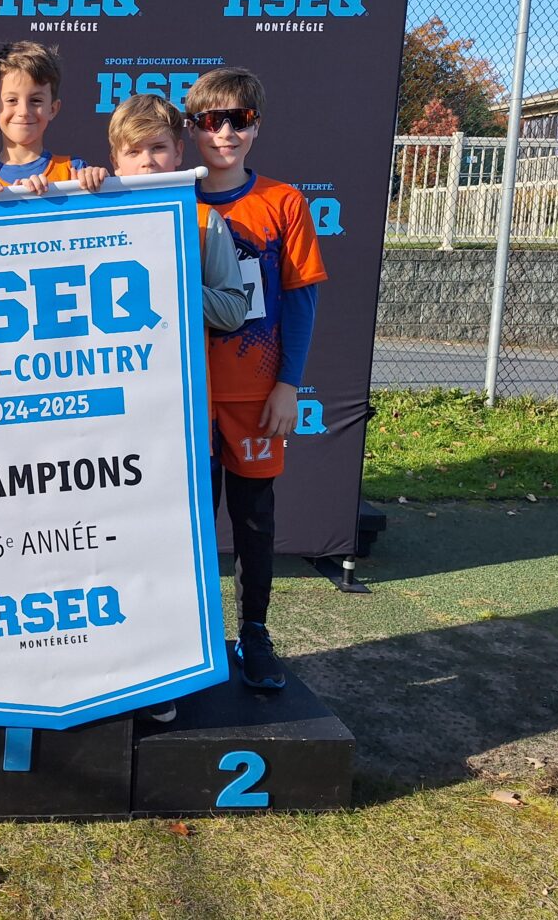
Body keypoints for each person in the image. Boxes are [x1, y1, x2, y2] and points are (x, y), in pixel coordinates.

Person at [184, 67, 328, 690]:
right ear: (192, 128)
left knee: (253, 521)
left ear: (256, 124)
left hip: (253, 394)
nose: (224, 133)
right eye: (210, 121)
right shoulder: (163, 199)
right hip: (183, 395)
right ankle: (186, 640)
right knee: (186, 523)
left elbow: (300, 300)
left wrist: (288, 384)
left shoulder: (283, 202)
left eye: (237, 119)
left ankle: (255, 635)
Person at [109, 92, 249, 722]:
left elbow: (234, 308)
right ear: (116, 157)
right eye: (134, 151)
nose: (147, 160)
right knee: (109, 541)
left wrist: (172, 283)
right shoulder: (89, 211)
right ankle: (108, 663)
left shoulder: (204, 224)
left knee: (167, 542)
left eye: (158, 147)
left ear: (177, 152)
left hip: (173, 412)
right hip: (104, 412)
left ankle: (161, 675)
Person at [0, 40, 107, 196]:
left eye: (36, 101)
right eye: (12, 100)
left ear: (53, 109)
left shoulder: (73, 171)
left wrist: (99, 183)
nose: (24, 111)